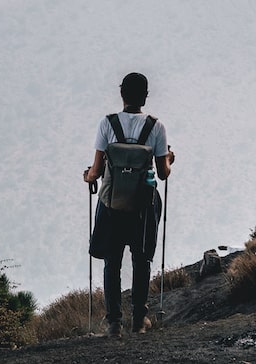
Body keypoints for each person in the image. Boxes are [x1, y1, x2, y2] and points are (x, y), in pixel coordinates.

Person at [83, 71, 177, 336]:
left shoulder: (107, 124)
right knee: (141, 260)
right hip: (143, 206)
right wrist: (169, 158)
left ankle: (113, 322)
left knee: (111, 262)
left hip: (111, 204)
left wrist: (86, 176)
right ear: (145, 97)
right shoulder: (156, 127)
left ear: (121, 93)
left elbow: (97, 170)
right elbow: (162, 173)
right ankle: (139, 320)